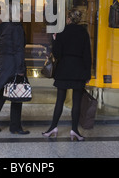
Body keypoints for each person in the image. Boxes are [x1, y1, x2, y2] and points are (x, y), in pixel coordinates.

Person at [42, 8, 92, 141]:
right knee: (76, 103)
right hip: (79, 70)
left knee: (59, 101)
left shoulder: (62, 32)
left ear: (69, 19)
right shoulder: (84, 32)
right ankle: (74, 130)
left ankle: (53, 127)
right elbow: (87, 55)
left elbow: (57, 54)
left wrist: (55, 40)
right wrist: (88, 73)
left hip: (64, 69)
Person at [0, 5, 30, 135]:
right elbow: (19, 50)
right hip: (14, 65)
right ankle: (15, 127)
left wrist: (4, 51)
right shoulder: (17, 27)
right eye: (21, 11)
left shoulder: (4, 25)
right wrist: (20, 69)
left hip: (3, 64)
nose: (23, 14)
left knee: (1, 95)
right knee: (17, 96)